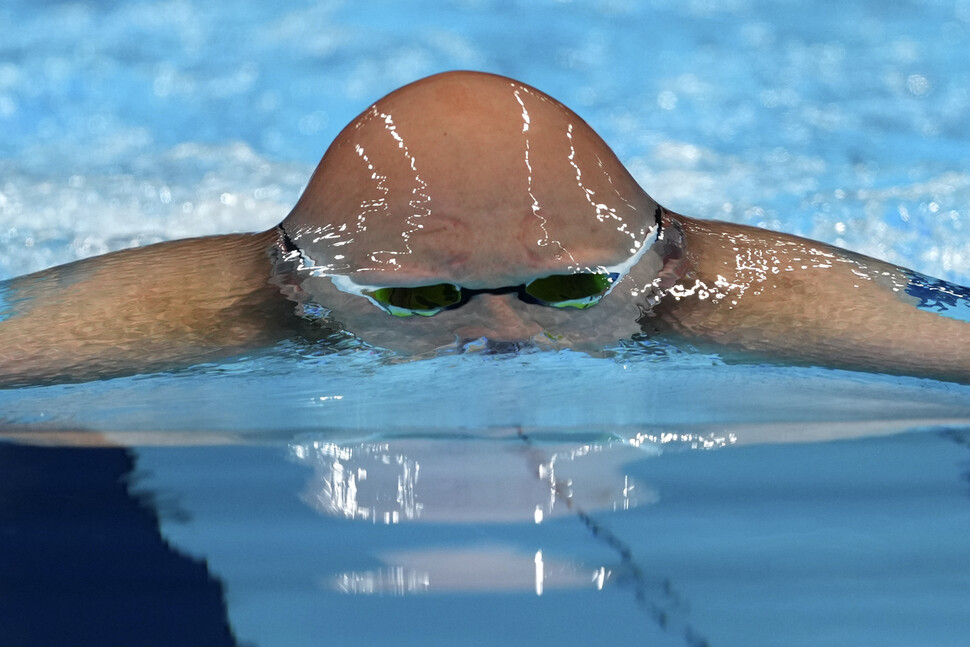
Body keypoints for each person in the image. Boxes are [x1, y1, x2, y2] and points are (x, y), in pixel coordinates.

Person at [1, 71, 968, 387]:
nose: (500, 338)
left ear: (664, 262)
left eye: (567, 288)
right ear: (297, 281)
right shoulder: (224, 306)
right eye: (419, 297)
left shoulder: (724, 286)